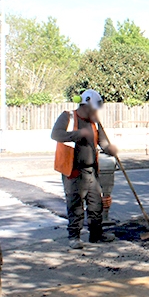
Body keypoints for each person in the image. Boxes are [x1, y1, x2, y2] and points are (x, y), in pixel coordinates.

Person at [51, 89, 119, 249]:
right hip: (73, 171)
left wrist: (110, 149)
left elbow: (103, 143)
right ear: (86, 105)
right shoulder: (67, 116)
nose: (96, 112)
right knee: (75, 205)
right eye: (94, 108)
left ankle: (96, 235)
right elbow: (55, 134)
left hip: (91, 171)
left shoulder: (94, 122)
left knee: (96, 205)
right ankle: (74, 237)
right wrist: (78, 134)